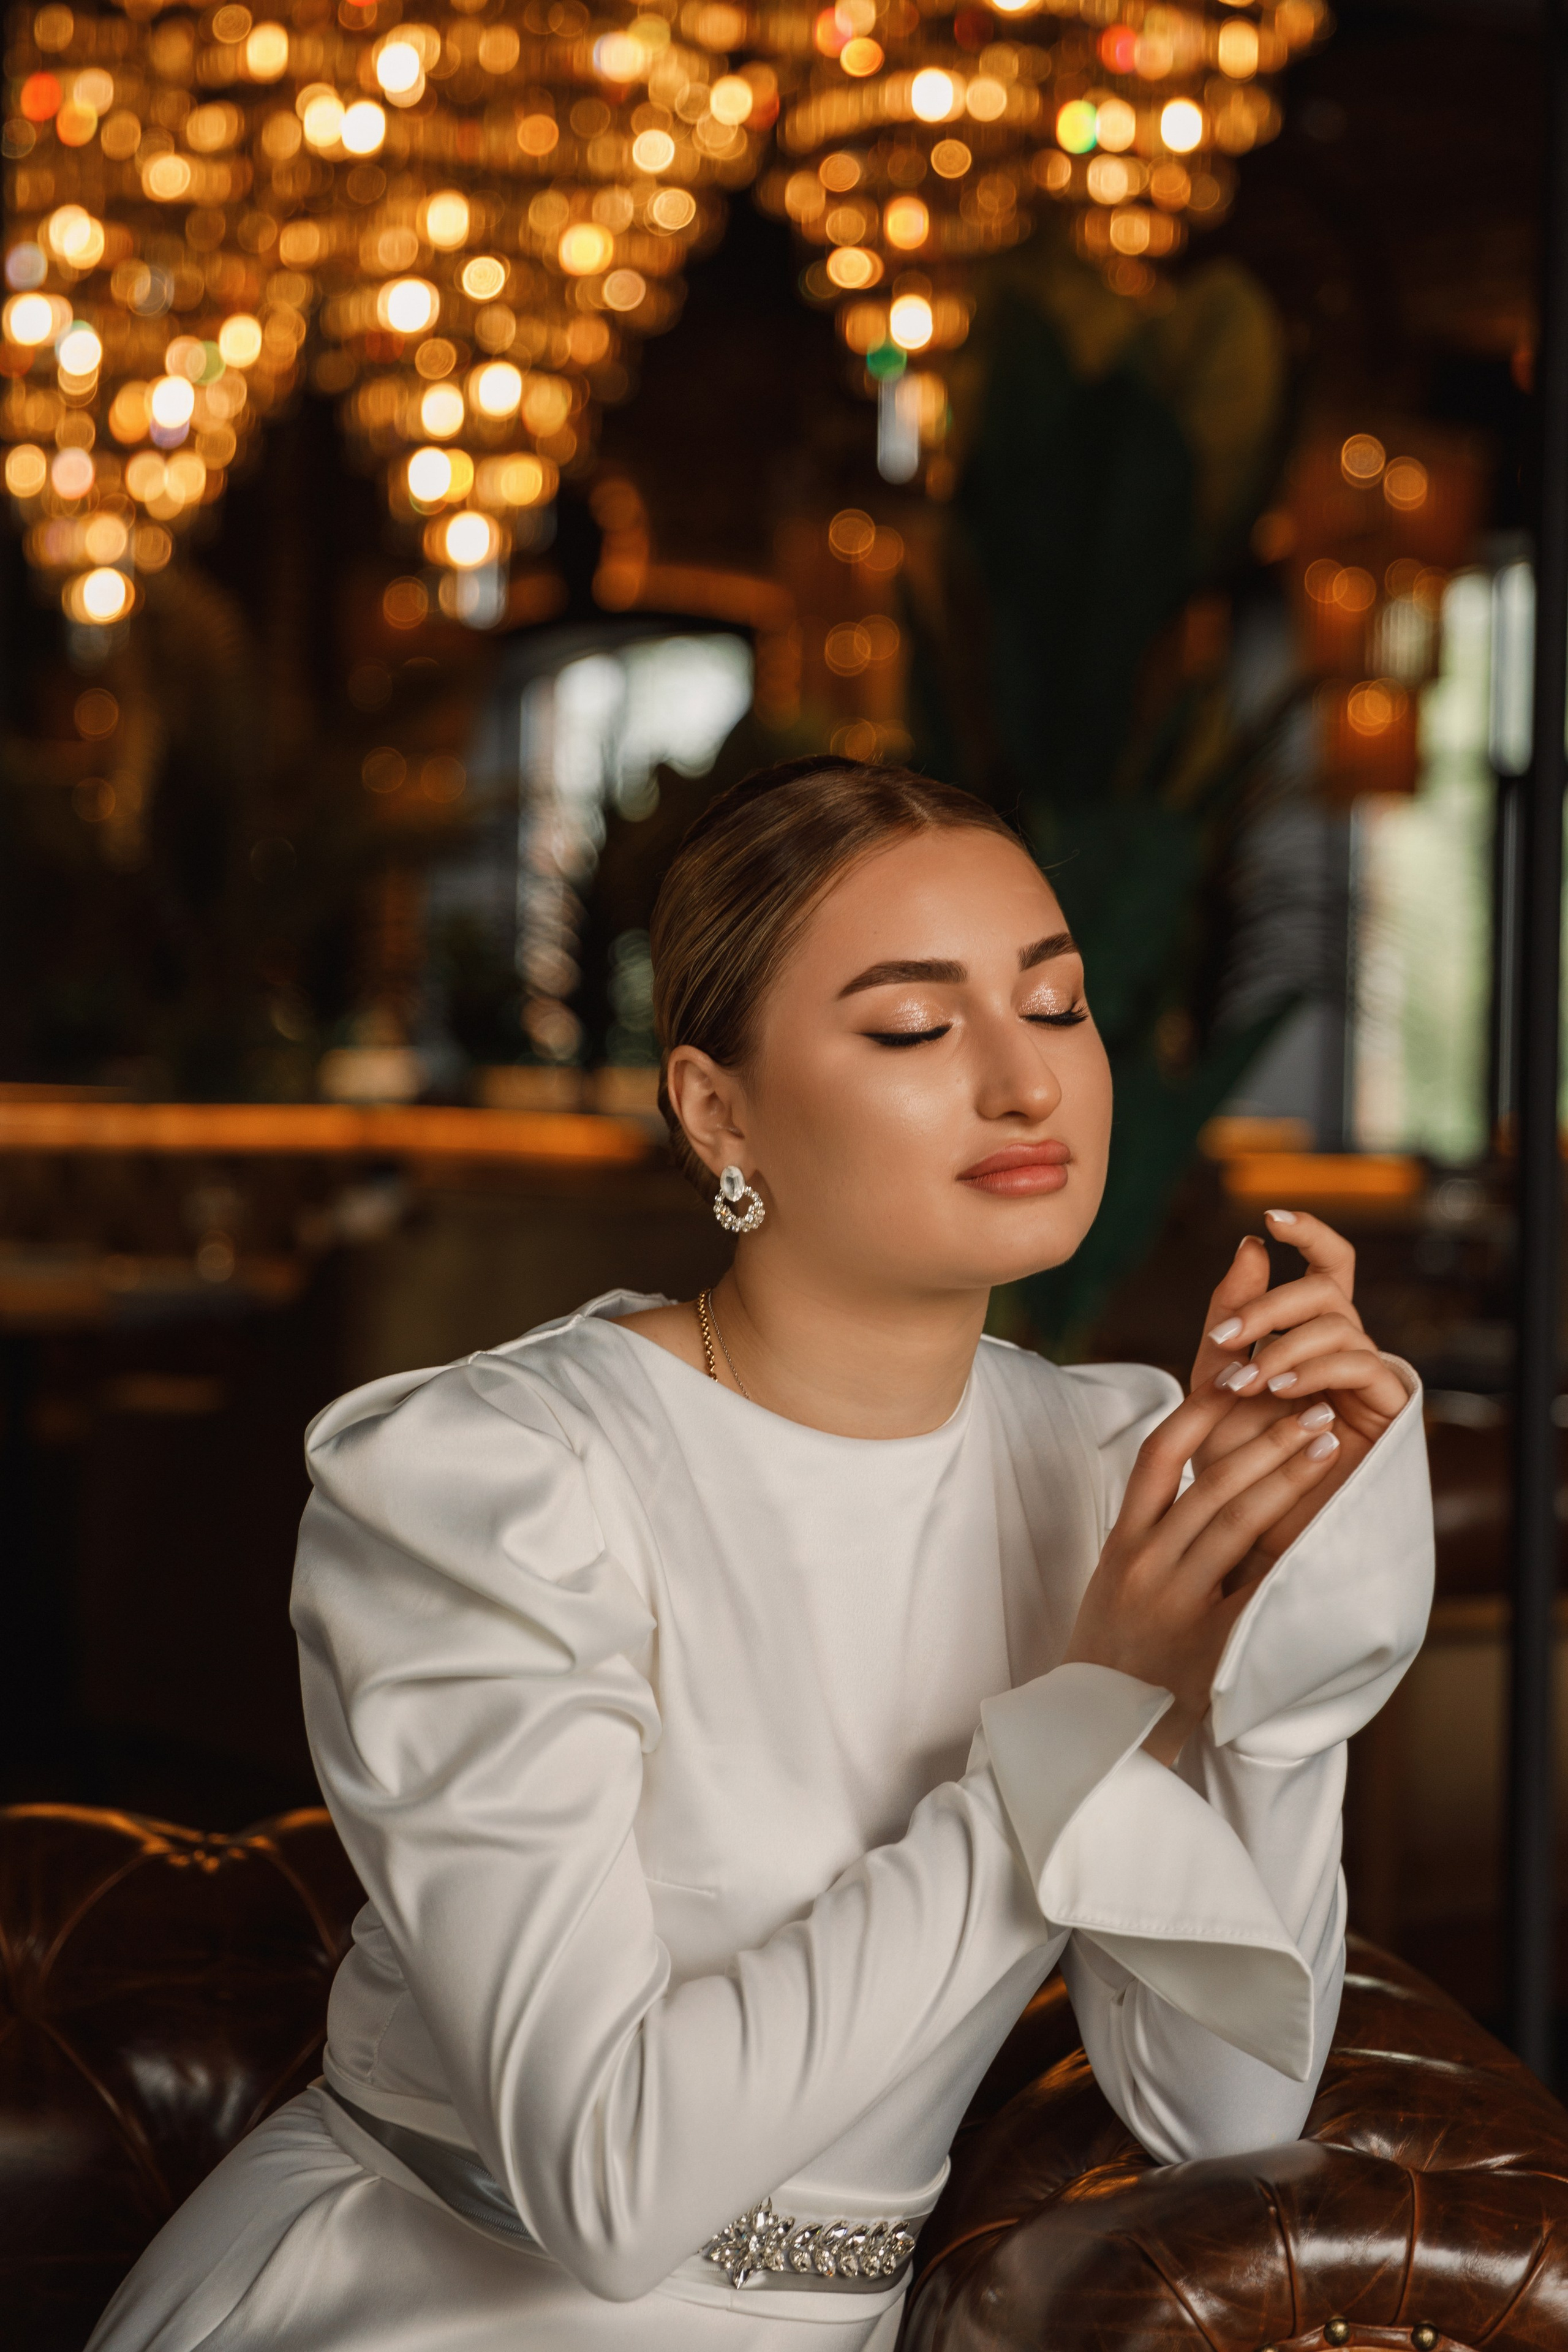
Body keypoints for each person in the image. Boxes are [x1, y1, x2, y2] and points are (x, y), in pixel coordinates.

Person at [89, 759, 1431, 2352]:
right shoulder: (496, 1483)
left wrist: (1280, 1646)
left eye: (1058, 1005)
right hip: (432, 2309)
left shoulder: (1107, 1468)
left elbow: (1222, 2118)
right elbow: (607, 2185)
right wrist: (1094, 1700)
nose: (1026, 1085)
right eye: (916, 1027)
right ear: (718, 1108)